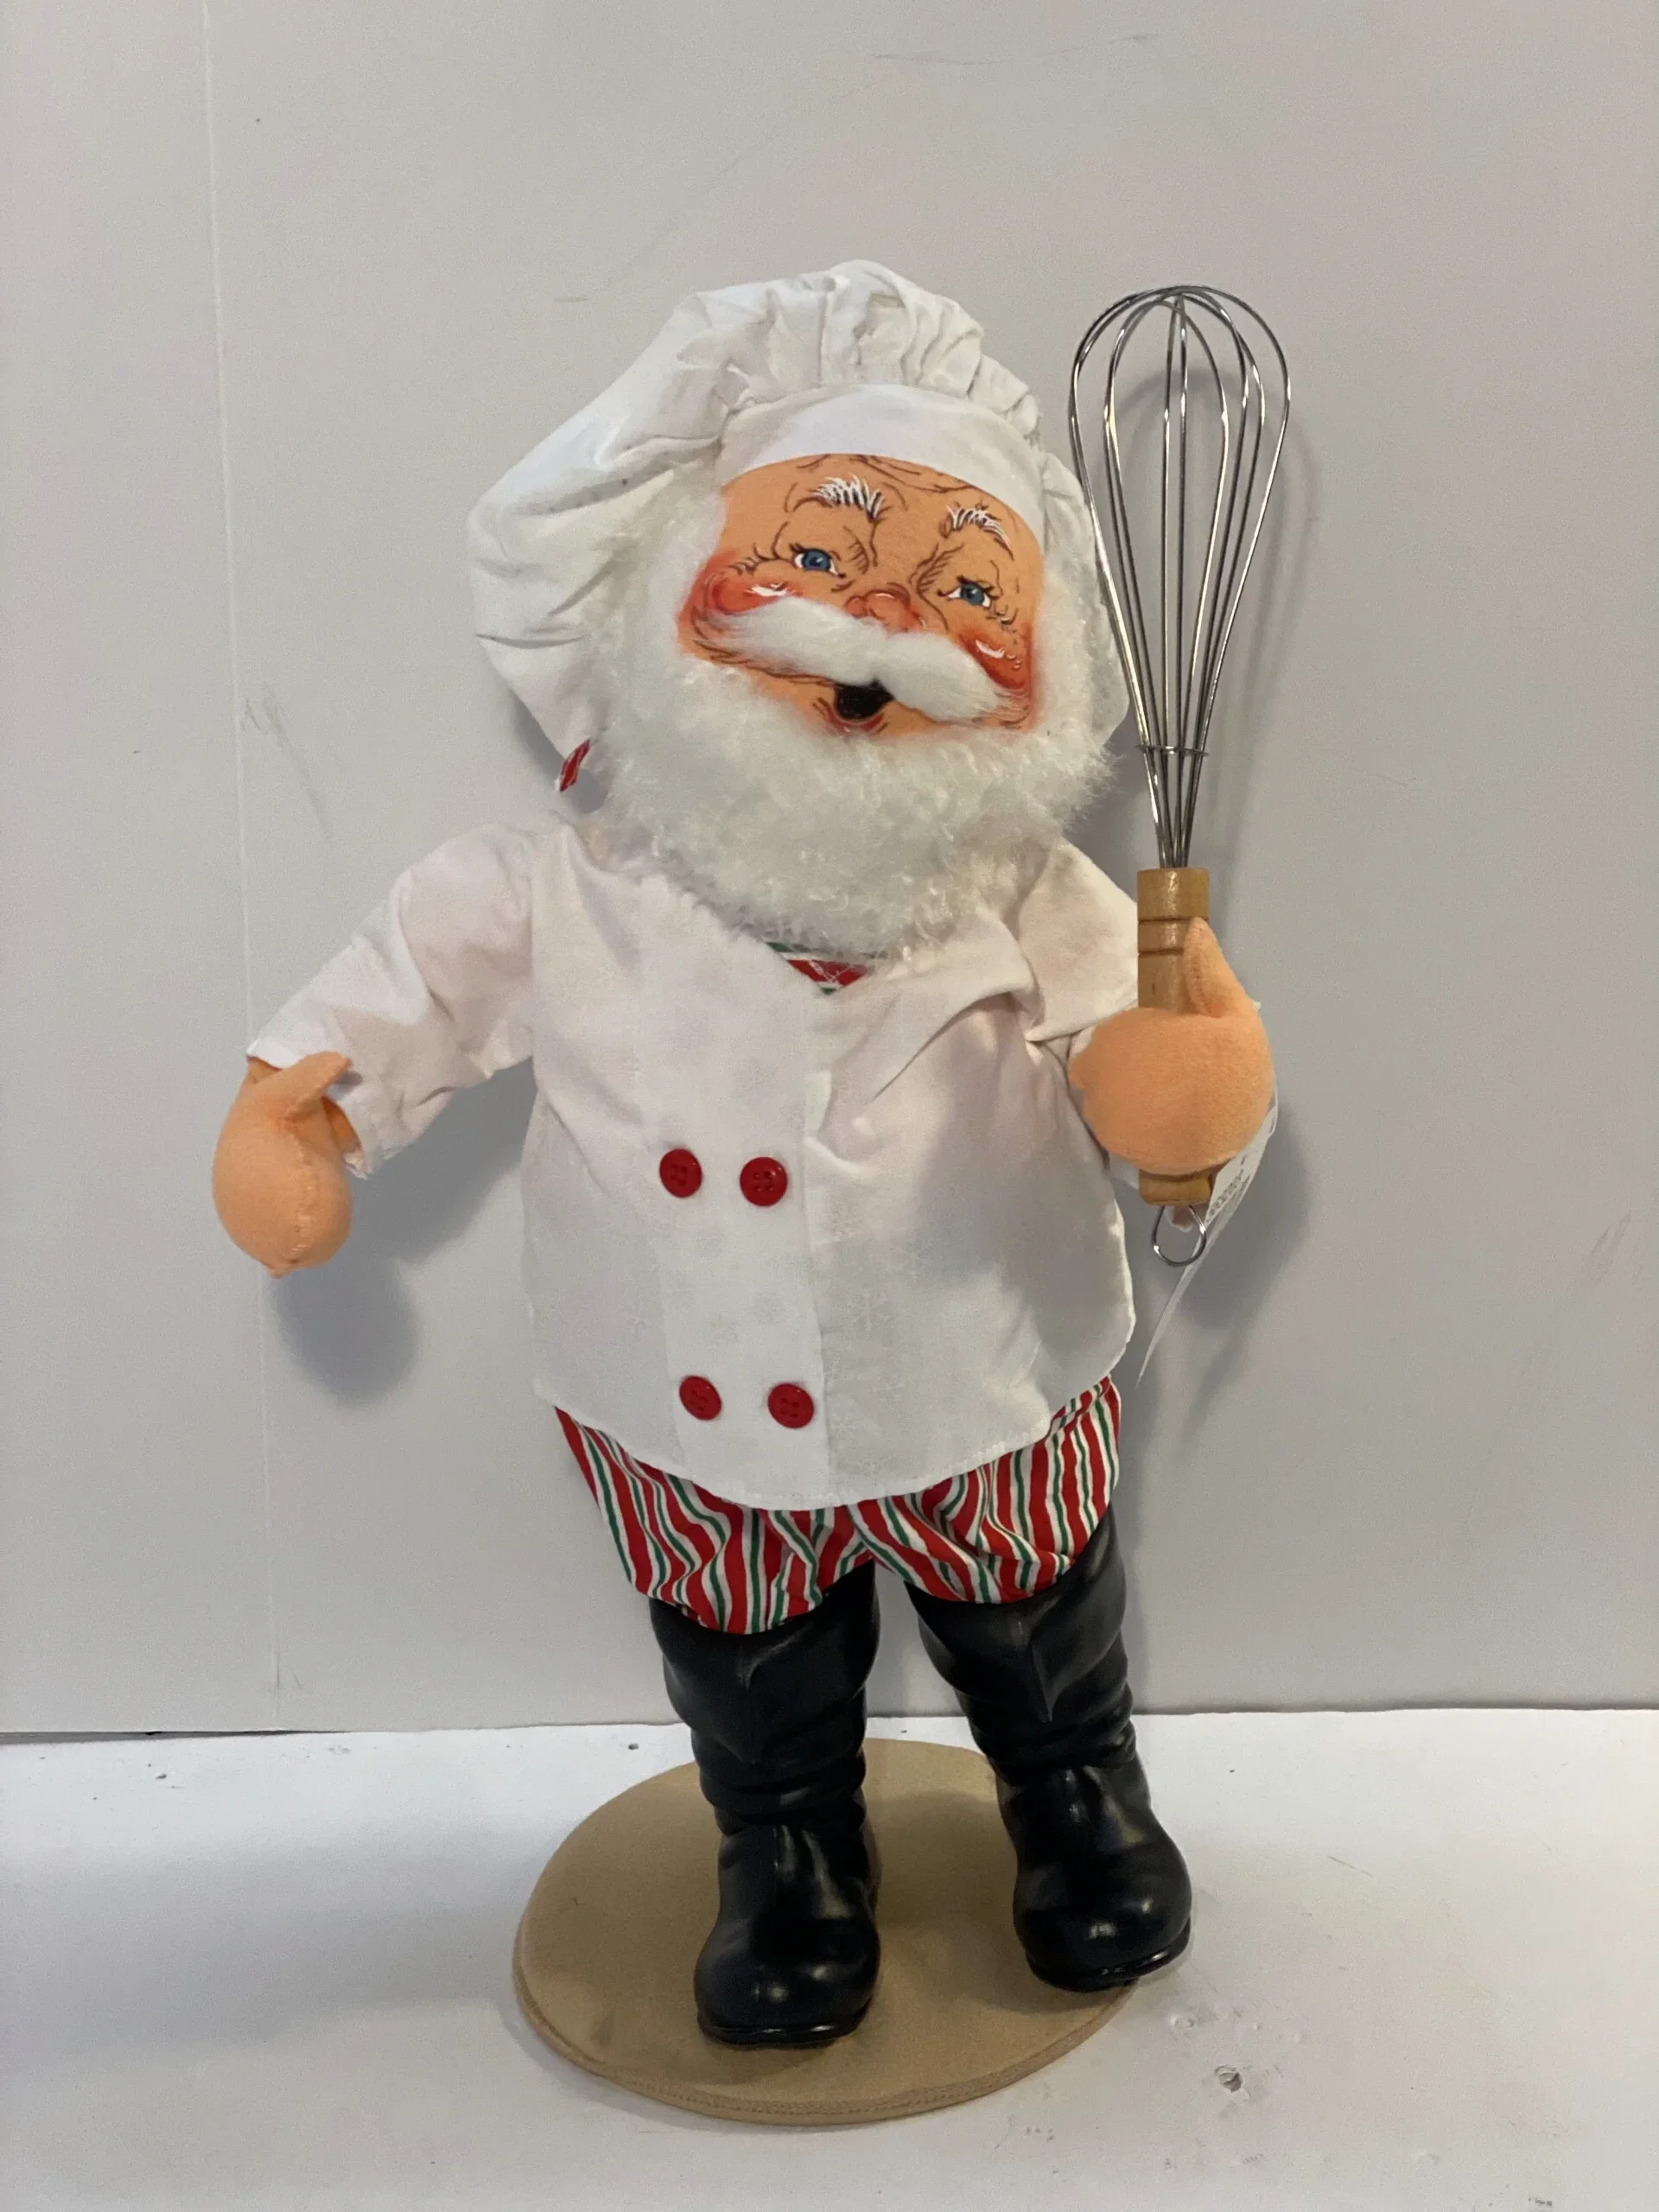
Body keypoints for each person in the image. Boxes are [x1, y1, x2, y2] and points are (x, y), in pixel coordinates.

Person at [213, 263, 1274, 2049]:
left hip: (985, 1367)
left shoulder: (1030, 891)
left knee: (1031, 1598)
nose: (881, 617)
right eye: (820, 550)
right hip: (678, 1389)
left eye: (964, 585)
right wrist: (296, 1118)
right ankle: (787, 1847)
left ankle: (1073, 1786)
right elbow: (401, 1004)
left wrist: (1185, 1107)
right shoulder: (555, 892)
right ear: (659, 602)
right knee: (740, 1638)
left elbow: (1158, 1079)